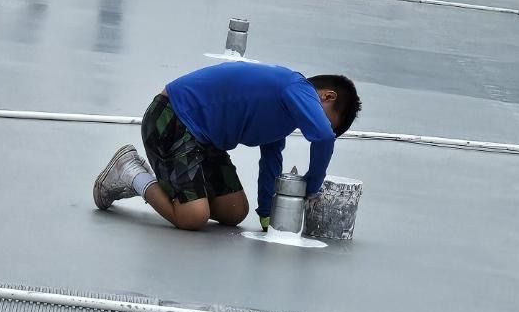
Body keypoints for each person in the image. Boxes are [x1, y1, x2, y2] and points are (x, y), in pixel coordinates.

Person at [91, 62, 361, 231]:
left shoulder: (287, 114)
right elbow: (324, 138)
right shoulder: (295, 87)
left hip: (204, 140)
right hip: (172, 118)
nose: (316, 125)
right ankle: (130, 172)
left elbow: (271, 161)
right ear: (327, 96)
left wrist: (268, 218)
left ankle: (183, 192)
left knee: (235, 212)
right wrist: (312, 188)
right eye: (325, 118)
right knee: (193, 217)